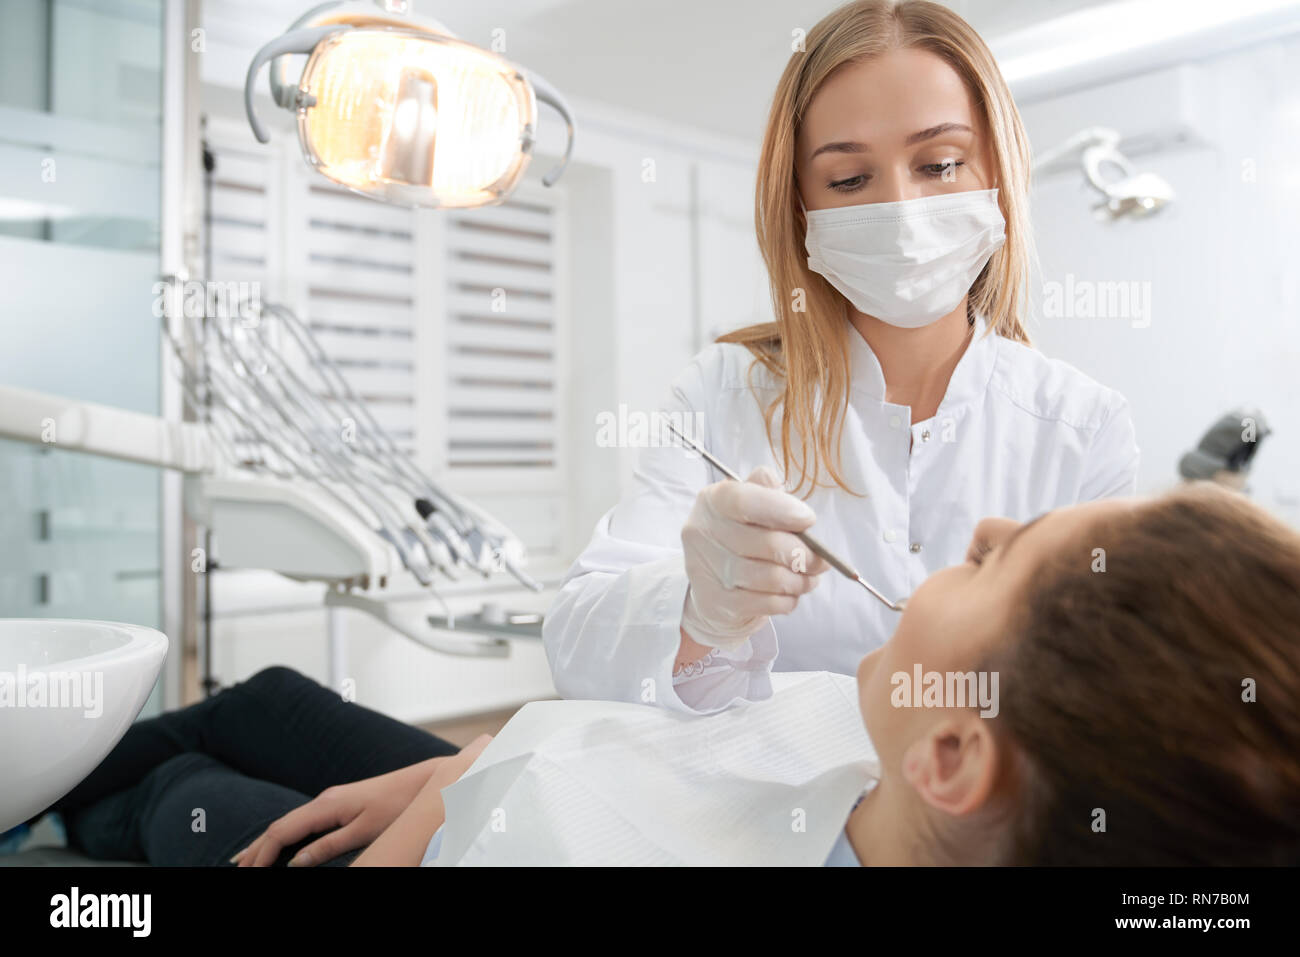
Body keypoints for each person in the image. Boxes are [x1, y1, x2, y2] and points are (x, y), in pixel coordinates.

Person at [46, 482, 1300, 866]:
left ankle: (47, 821)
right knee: (271, 702)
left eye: (997, 559)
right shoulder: (900, 760)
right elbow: (686, 744)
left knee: (178, 805)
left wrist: (450, 816)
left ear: (958, 757)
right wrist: (482, 761)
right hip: (507, 779)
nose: (972, 531)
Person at [543, 0, 1140, 716]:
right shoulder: (725, 393)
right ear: (799, 207)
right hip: (758, 815)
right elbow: (575, 647)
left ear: (999, 175)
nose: (902, 209)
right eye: (850, 180)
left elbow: (1108, 699)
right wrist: (697, 609)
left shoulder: (1081, 427)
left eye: (940, 164)